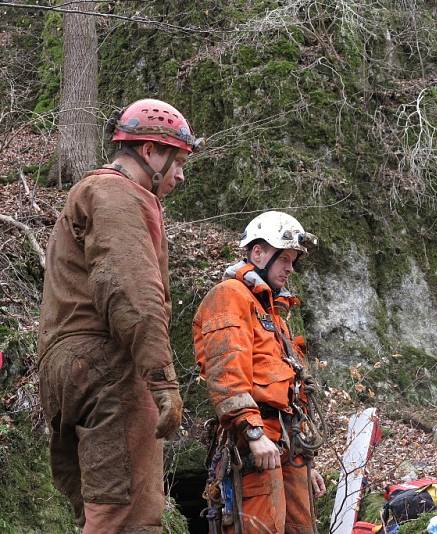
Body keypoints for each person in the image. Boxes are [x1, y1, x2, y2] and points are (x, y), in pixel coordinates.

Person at [37, 99, 201, 532]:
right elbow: (132, 293)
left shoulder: (90, 193)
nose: (181, 175)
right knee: (128, 516)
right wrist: (162, 379)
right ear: (150, 152)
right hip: (109, 366)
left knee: (99, 511)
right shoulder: (120, 193)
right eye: (178, 161)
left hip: (65, 371)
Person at [193, 211, 327, 534]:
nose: (289, 268)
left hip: (287, 443)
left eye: (293, 261)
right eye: (284, 258)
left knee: (301, 528)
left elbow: (291, 386)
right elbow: (226, 370)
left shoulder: (275, 315)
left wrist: (305, 461)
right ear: (258, 253)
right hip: (256, 441)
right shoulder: (231, 296)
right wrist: (253, 433)